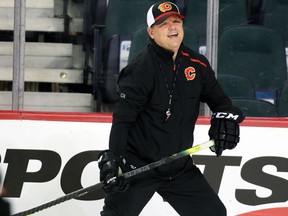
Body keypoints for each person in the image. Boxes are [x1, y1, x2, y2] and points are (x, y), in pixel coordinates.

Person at [98, 1, 244, 215]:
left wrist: (225, 120)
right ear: (151, 32)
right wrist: (114, 158)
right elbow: (122, 120)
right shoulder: (140, 70)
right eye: (164, 23)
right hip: (139, 166)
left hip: (178, 165)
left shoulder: (197, 64)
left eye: (176, 21)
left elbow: (221, 102)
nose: (173, 27)